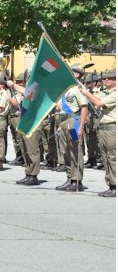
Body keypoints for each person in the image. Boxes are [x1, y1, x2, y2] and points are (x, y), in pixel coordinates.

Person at [80, 69, 115, 197]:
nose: (104, 81)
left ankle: (115, 186)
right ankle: (111, 185)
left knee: (113, 158)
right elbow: (96, 99)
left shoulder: (115, 93)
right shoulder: (107, 92)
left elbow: (99, 103)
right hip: (104, 129)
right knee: (106, 159)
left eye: (107, 79)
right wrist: (86, 91)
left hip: (112, 129)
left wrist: (87, 94)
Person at [54, 64, 89, 192]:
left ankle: (77, 180)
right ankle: (69, 178)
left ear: (77, 74)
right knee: (66, 152)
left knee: (75, 152)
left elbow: (84, 107)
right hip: (64, 120)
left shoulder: (78, 88)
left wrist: (80, 127)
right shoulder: (67, 88)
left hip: (74, 120)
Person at [7, 78, 41, 186]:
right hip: (25, 121)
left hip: (33, 122)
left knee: (32, 150)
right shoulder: (28, 89)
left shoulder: (38, 89)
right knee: (25, 149)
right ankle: (28, 172)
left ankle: (33, 175)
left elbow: (28, 94)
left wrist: (13, 85)